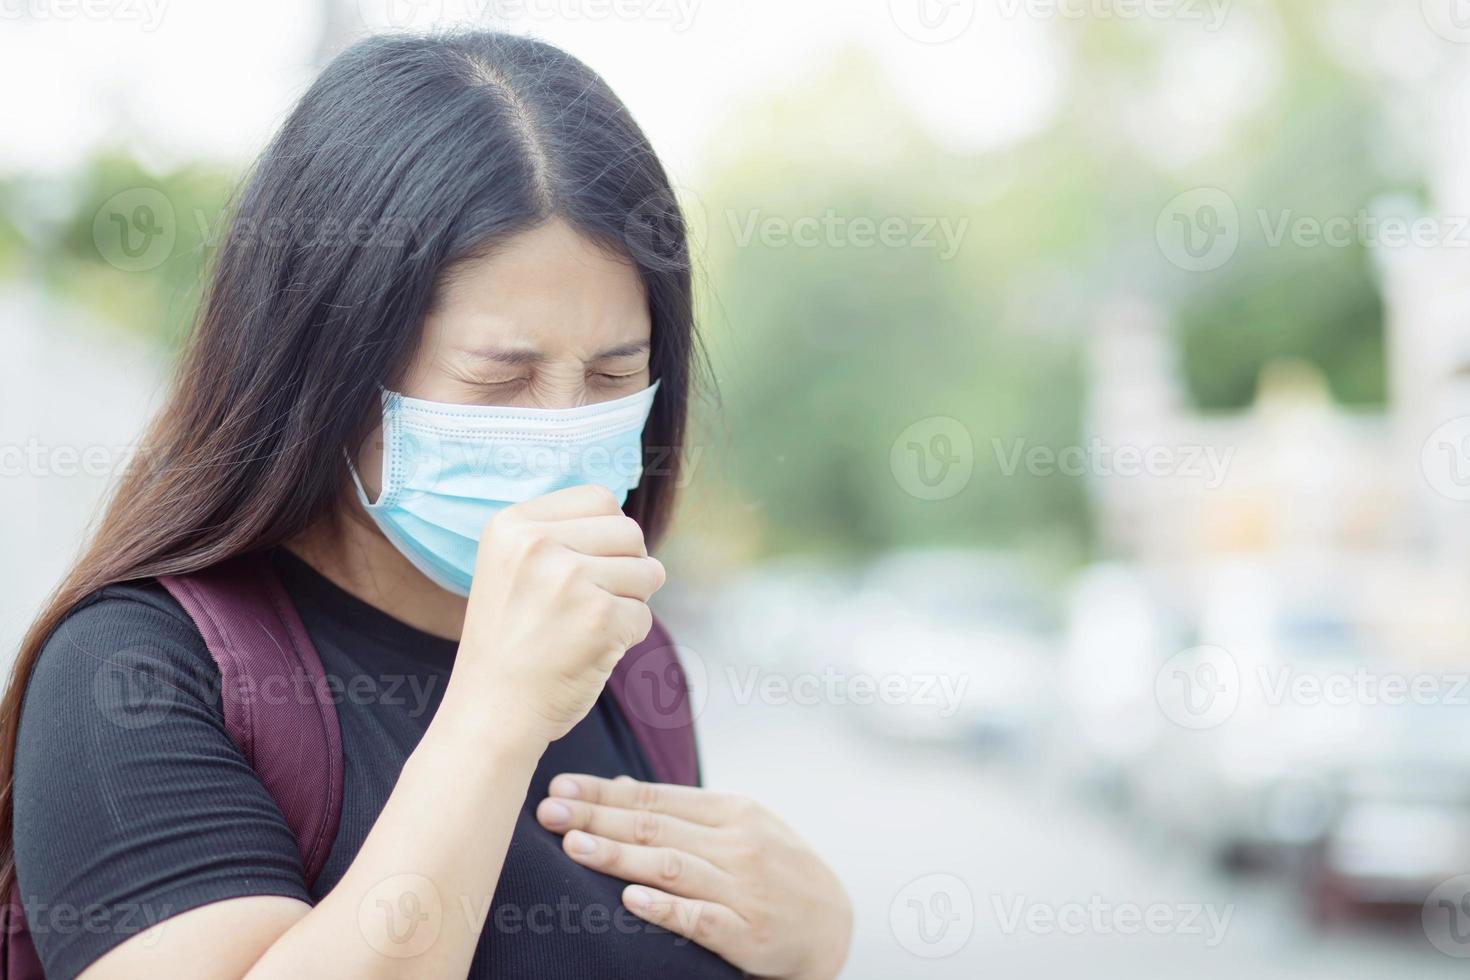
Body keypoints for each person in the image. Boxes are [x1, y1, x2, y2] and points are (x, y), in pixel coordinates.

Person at [0, 30, 851, 980]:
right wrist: (494, 715)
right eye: (503, 376)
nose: (564, 428)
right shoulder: (135, 676)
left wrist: (813, 948)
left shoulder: (624, 653)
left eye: (614, 374)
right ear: (330, 363)